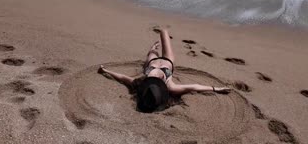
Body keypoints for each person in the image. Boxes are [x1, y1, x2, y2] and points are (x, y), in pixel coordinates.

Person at [98, 28, 231, 113]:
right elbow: (194, 87)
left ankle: (153, 47)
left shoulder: (140, 82)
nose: (156, 77)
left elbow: (122, 77)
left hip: (151, 63)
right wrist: (214, 89)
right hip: (168, 61)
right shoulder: (171, 87)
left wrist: (106, 71)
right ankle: (156, 44)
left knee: (152, 50)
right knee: (164, 32)